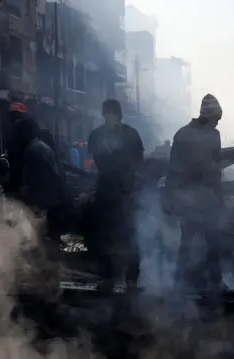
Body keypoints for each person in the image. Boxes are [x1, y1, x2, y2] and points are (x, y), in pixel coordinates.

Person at [166, 94, 225, 290]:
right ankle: (194, 281)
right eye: (216, 119)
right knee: (196, 239)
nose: (217, 123)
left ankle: (199, 280)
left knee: (203, 240)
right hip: (190, 195)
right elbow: (174, 169)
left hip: (203, 195)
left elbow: (216, 166)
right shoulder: (184, 135)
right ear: (208, 116)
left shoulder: (208, 134)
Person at [86, 99, 144, 290]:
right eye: (106, 113)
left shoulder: (131, 134)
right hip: (105, 191)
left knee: (130, 235)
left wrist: (132, 181)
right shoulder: (96, 135)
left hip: (126, 191)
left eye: (111, 113)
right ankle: (107, 276)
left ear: (119, 115)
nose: (108, 117)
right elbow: (96, 162)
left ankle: (132, 277)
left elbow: (139, 161)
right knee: (104, 235)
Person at [5, 102, 29, 197]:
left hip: (22, 172)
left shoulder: (22, 130)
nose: (14, 118)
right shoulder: (13, 129)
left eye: (16, 115)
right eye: (13, 115)